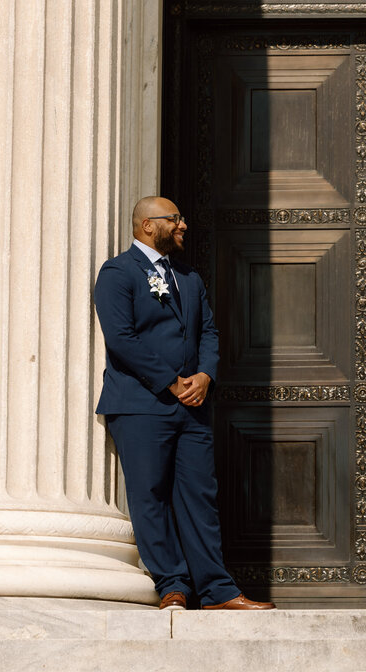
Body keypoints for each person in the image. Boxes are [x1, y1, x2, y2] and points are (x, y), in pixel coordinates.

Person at [93, 196, 274, 611]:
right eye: (174, 219)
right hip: (141, 405)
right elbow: (122, 339)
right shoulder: (118, 273)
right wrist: (171, 383)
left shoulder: (187, 277)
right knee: (150, 495)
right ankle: (172, 584)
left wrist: (205, 375)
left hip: (193, 407)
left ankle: (218, 590)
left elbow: (209, 330)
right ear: (146, 226)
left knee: (199, 496)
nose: (183, 226)